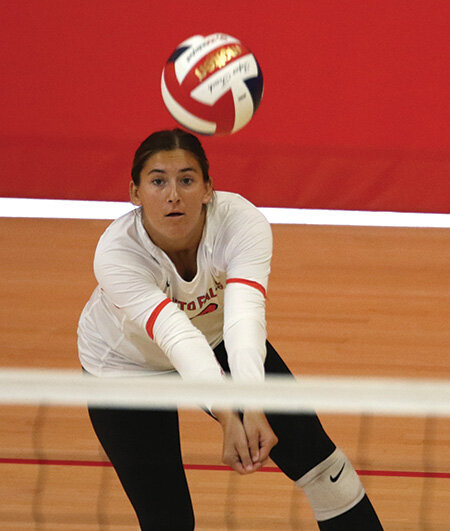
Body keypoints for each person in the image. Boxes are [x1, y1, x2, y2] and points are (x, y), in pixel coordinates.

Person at [78, 128, 383, 530]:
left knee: (326, 472)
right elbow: (176, 335)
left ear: (208, 189)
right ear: (135, 193)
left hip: (219, 338)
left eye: (187, 180)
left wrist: (252, 404)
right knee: (166, 519)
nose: (173, 195)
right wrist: (228, 414)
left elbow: (244, 317)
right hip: (124, 367)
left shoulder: (240, 223)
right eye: (158, 181)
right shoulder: (117, 253)